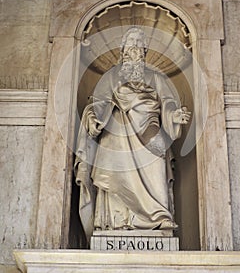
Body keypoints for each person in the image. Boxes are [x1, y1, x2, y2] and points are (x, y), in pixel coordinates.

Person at [75, 27, 191, 242]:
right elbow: (99, 102)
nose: (135, 48)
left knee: (156, 166)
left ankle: (158, 217)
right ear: (123, 49)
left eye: (139, 44)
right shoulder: (111, 77)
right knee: (114, 166)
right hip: (117, 132)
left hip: (150, 132)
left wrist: (173, 116)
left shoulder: (157, 77)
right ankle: (117, 221)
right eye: (131, 43)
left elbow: (167, 101)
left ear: (144, 50)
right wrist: (93, 116)